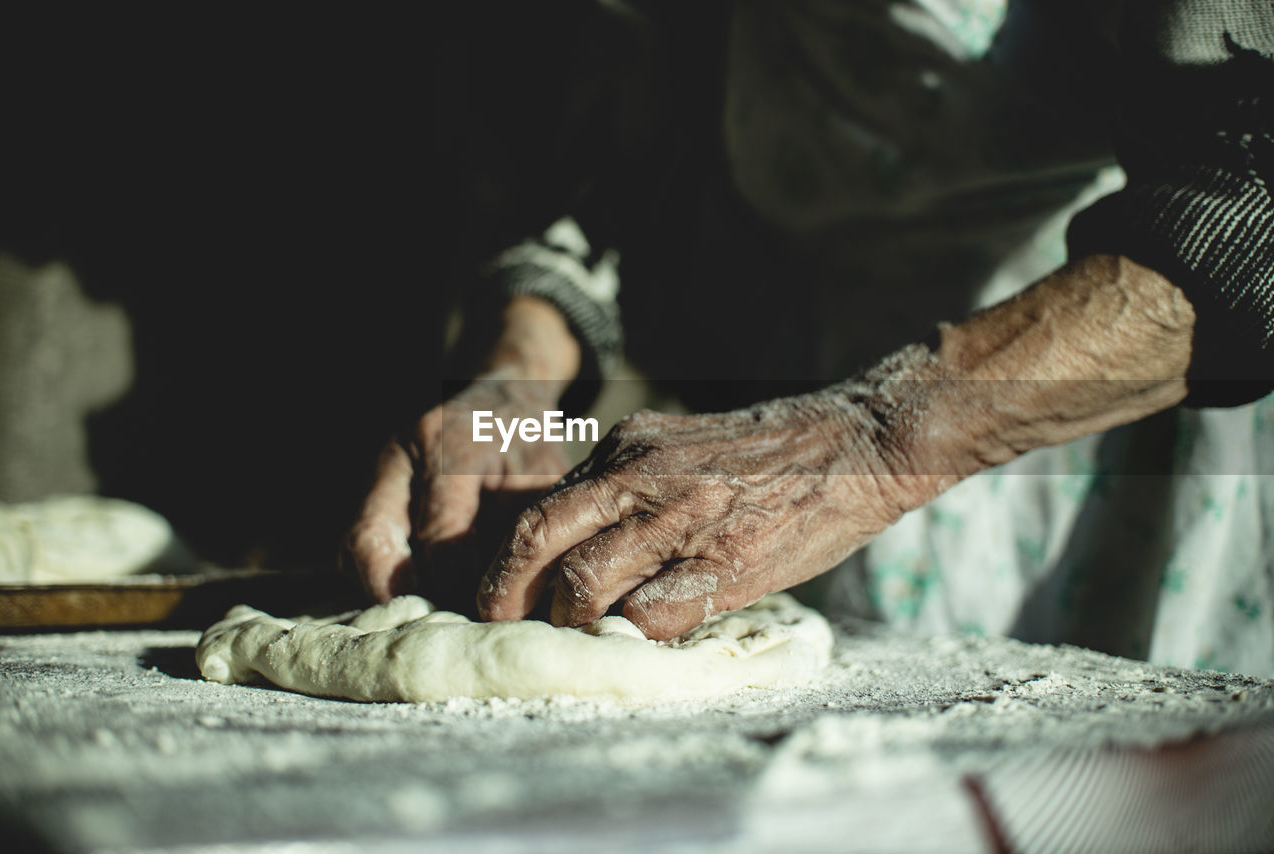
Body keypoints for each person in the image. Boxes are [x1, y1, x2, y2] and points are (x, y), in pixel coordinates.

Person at [346, 0, 1274, 675]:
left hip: (1091, 409)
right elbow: (634, 165)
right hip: (778, 466)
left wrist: (874, 439)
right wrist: (517, 381)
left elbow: (1250, 204)